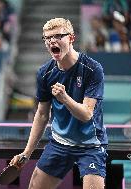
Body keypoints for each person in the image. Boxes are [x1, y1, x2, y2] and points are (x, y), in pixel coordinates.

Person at [10, 18, 108, 189]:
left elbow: (86, 114)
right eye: (47, 38)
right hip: (60, 143)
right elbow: (41, 114)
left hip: (91, 144)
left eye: (58, 36)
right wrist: (26, 152)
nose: (52, 41)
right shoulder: (45, 73)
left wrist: (65, 98)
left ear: (71, 38)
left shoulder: (93, 69)